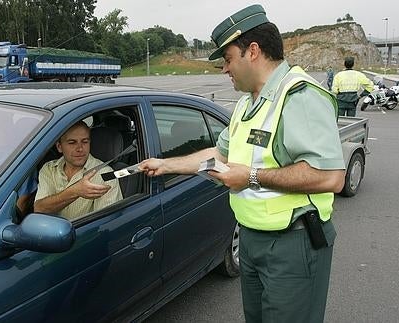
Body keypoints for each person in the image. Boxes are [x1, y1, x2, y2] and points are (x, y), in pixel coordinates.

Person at [139, 5, 345, 323]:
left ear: (252, 51)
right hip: (251, 239)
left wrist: (249, 176)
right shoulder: (246, 104)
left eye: (228, 59)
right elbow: (219, 156)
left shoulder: (299, 96)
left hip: (293, 242)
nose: (224, 69)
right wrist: (165, 165)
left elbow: (330, 177)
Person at [34, 121, 122, 220]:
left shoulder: (106, 175)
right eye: (72, 142)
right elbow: (39, 209)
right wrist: (74, 192)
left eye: (84, 142)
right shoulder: (49, 168)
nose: (80, 148)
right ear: (59, 147)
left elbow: (105, 224)